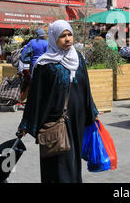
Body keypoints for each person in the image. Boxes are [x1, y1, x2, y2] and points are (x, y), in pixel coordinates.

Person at [17, 20, 99, 183]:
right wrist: (26, 123)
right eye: (62, 36)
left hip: (77, 118)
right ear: (54, 39)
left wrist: (93, 111)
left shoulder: (78, 58)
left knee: (73, 160)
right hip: (54, 120)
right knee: (58, 162)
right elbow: (36, 96)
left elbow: (85, 88)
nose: (68, 39)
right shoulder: (45, 64)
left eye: (69, 35)